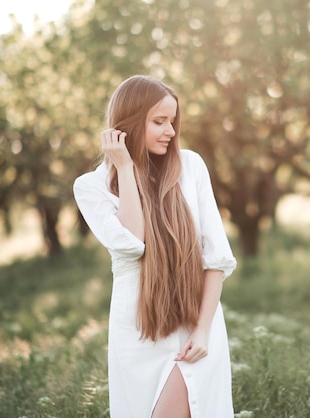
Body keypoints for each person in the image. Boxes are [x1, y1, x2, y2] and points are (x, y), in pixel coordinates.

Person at [73, 75, 237, 418]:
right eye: (159, 122)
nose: (171, 132)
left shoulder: (190, 166)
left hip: (195, 323)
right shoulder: (91, 186)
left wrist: (203, 330)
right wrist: (126, 168)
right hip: (139, 332)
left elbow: (217, 258)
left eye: (173, 121)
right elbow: (133, 244)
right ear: (130, 123)